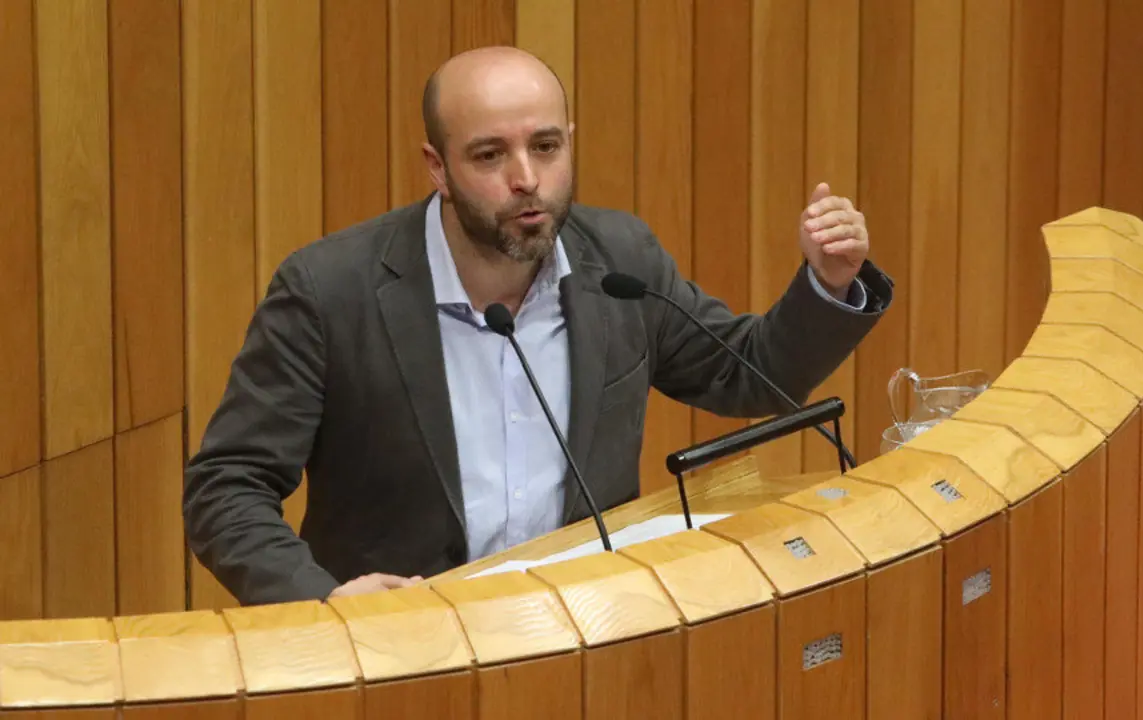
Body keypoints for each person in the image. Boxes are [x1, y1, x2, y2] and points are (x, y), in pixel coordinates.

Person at [182, 46, 894, 606]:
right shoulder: (330, 292)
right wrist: (328, 601)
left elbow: (745, 373)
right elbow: (227, 486)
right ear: (438, 166)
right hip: (403, 647)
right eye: (490, 155)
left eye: (546, 147)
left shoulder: (618, 259)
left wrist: (830, 283)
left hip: (584, 629)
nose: (527, 178)